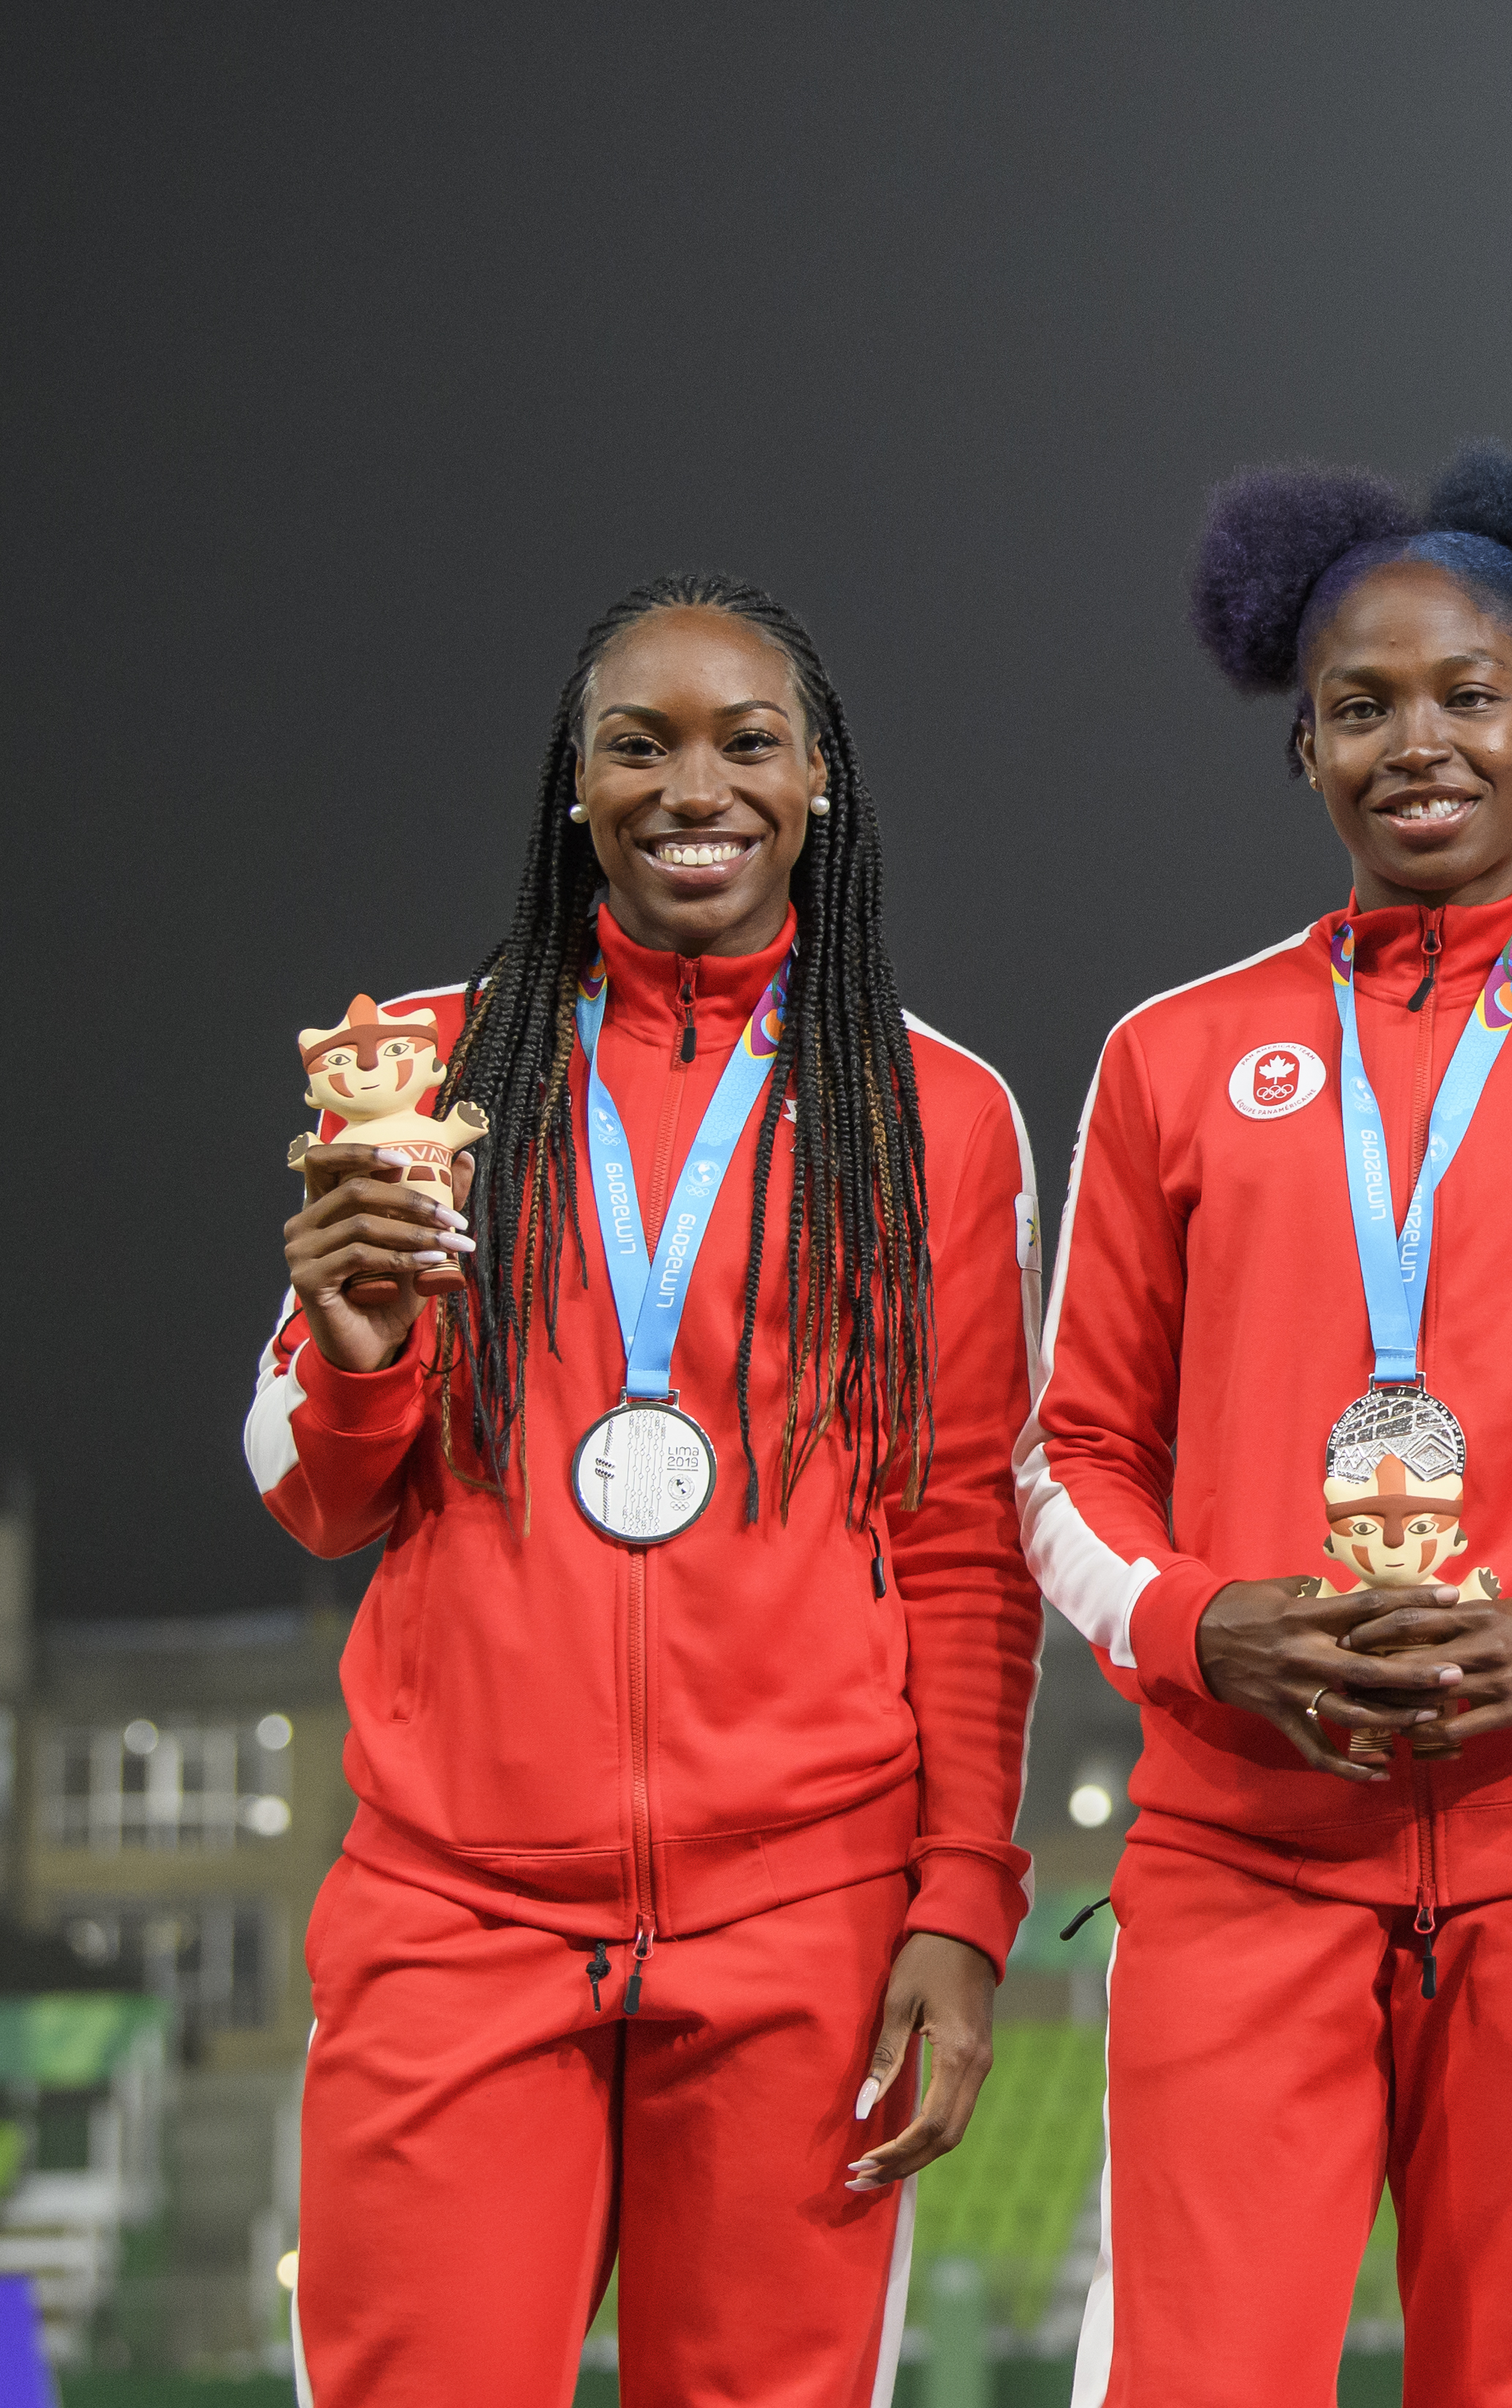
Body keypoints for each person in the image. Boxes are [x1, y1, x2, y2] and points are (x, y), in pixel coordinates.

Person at [1022, 445, 1512, 2407]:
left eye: (1469, 693)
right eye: (1361, 705)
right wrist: (1199, 1623)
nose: (1420, 742)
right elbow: (1061, 1459)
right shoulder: (1171, 1056)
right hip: (1238, 1848)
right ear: (1298, 747)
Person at [251, 574, 1043, 2402]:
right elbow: (307, 1492)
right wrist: (359, 1347)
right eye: (642, 743)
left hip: (807, 1914)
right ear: (576, 787)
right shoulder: (429, 1070)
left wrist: (959, 1903)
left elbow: (963, 1549)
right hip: (457, 1913)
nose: (699, 785)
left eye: (748, 741)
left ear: (820, 778)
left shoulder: (934, 1111)